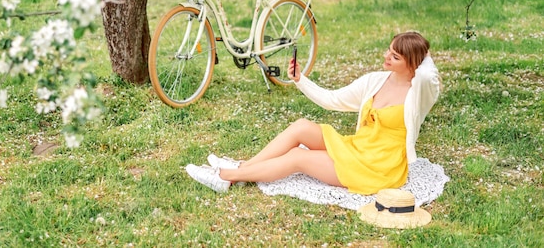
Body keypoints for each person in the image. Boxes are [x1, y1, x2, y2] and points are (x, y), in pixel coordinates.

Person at [185, 31, 441, 195]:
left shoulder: (420, 93)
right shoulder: (375, 80)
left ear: (413, 64)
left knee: (299, 158)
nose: (386, 57)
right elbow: (332, 99)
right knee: (301, 127)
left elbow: (429, 73)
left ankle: (227, 177)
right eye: (389, 50)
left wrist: (418, 50)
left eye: (395, 56)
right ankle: (243, 167)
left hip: (377, 167)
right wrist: (300, 79)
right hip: (357, 148)